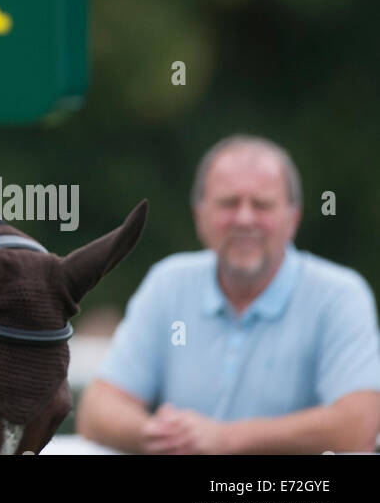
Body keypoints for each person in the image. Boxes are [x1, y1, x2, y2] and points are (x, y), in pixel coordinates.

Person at [76, 134, 380, 453]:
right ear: (200, 215)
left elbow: (359, 423)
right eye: (228, 203)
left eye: (262, 205)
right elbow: (97, 411)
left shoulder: (339, 296)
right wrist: (159, 433)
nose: (245, 218)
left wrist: (225, 439)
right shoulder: (168, 283)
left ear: (293, 219)